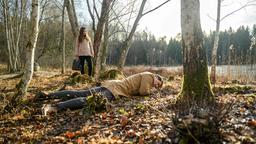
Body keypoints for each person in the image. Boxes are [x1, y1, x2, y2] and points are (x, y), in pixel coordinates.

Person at [41, 71, 163, 115]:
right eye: (158, 84)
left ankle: (48, 95)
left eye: (158, 87)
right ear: (157, 78)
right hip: (115, 89)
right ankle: (54, 107)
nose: (156, 86)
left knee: (81, 93)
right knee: (87, 100)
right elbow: (143, 92)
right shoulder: (150, 76)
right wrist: (151, 93)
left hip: (112, 85)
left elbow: (139, 90)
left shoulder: (148, 77)